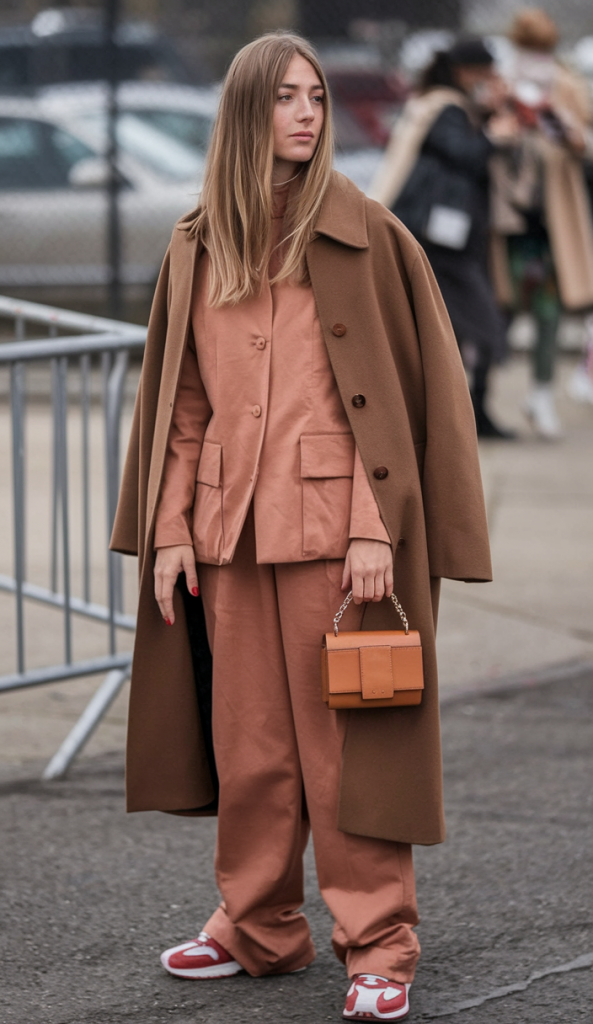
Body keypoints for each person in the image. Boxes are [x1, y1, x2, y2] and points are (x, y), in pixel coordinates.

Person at [110, 32, 491, 1023]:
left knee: (347, 748)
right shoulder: (200, 241)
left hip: (338, 534)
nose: (307, 113)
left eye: (315, 95)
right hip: (228, 535)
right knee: (250, 749)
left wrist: (376, 530)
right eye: (285, 97)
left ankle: (378, 941)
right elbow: (181, 407)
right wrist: (171, 529)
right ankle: (257, 924)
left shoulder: (365, 232)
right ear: (245, 113)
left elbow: (394, 404)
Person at [370, 38, 519, 439]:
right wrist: (494, 134)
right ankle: (463, 413)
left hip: (445, 239)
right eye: (485, 74)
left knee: (446, 328)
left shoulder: (440, 105)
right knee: (480, 324)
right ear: (467, 72)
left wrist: (488, 116)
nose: (488, 82)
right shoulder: (446, 108)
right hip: (440, 241)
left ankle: (460, 413)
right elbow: (463, 155)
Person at [490, 8, 593, 438]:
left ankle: (542, 394)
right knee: (502, 305)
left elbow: (585, 142)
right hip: (506, 219)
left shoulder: (566, 84)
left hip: (552, 220)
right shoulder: (500, 82)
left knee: (548, 309)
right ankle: (479, 396)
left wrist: (561, 129)